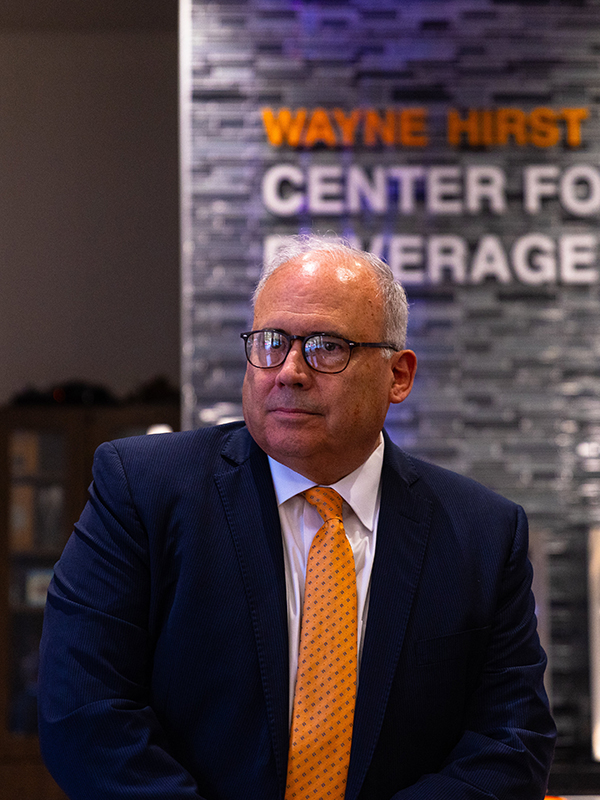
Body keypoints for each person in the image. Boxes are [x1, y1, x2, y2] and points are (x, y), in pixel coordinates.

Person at [38, 235, 556, 800]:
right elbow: (85, 712)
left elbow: (511, 743)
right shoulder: (142, 490)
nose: (288, 371)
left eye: (326, 347)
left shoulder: (482, 533)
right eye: (270, 342)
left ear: (398, 376)